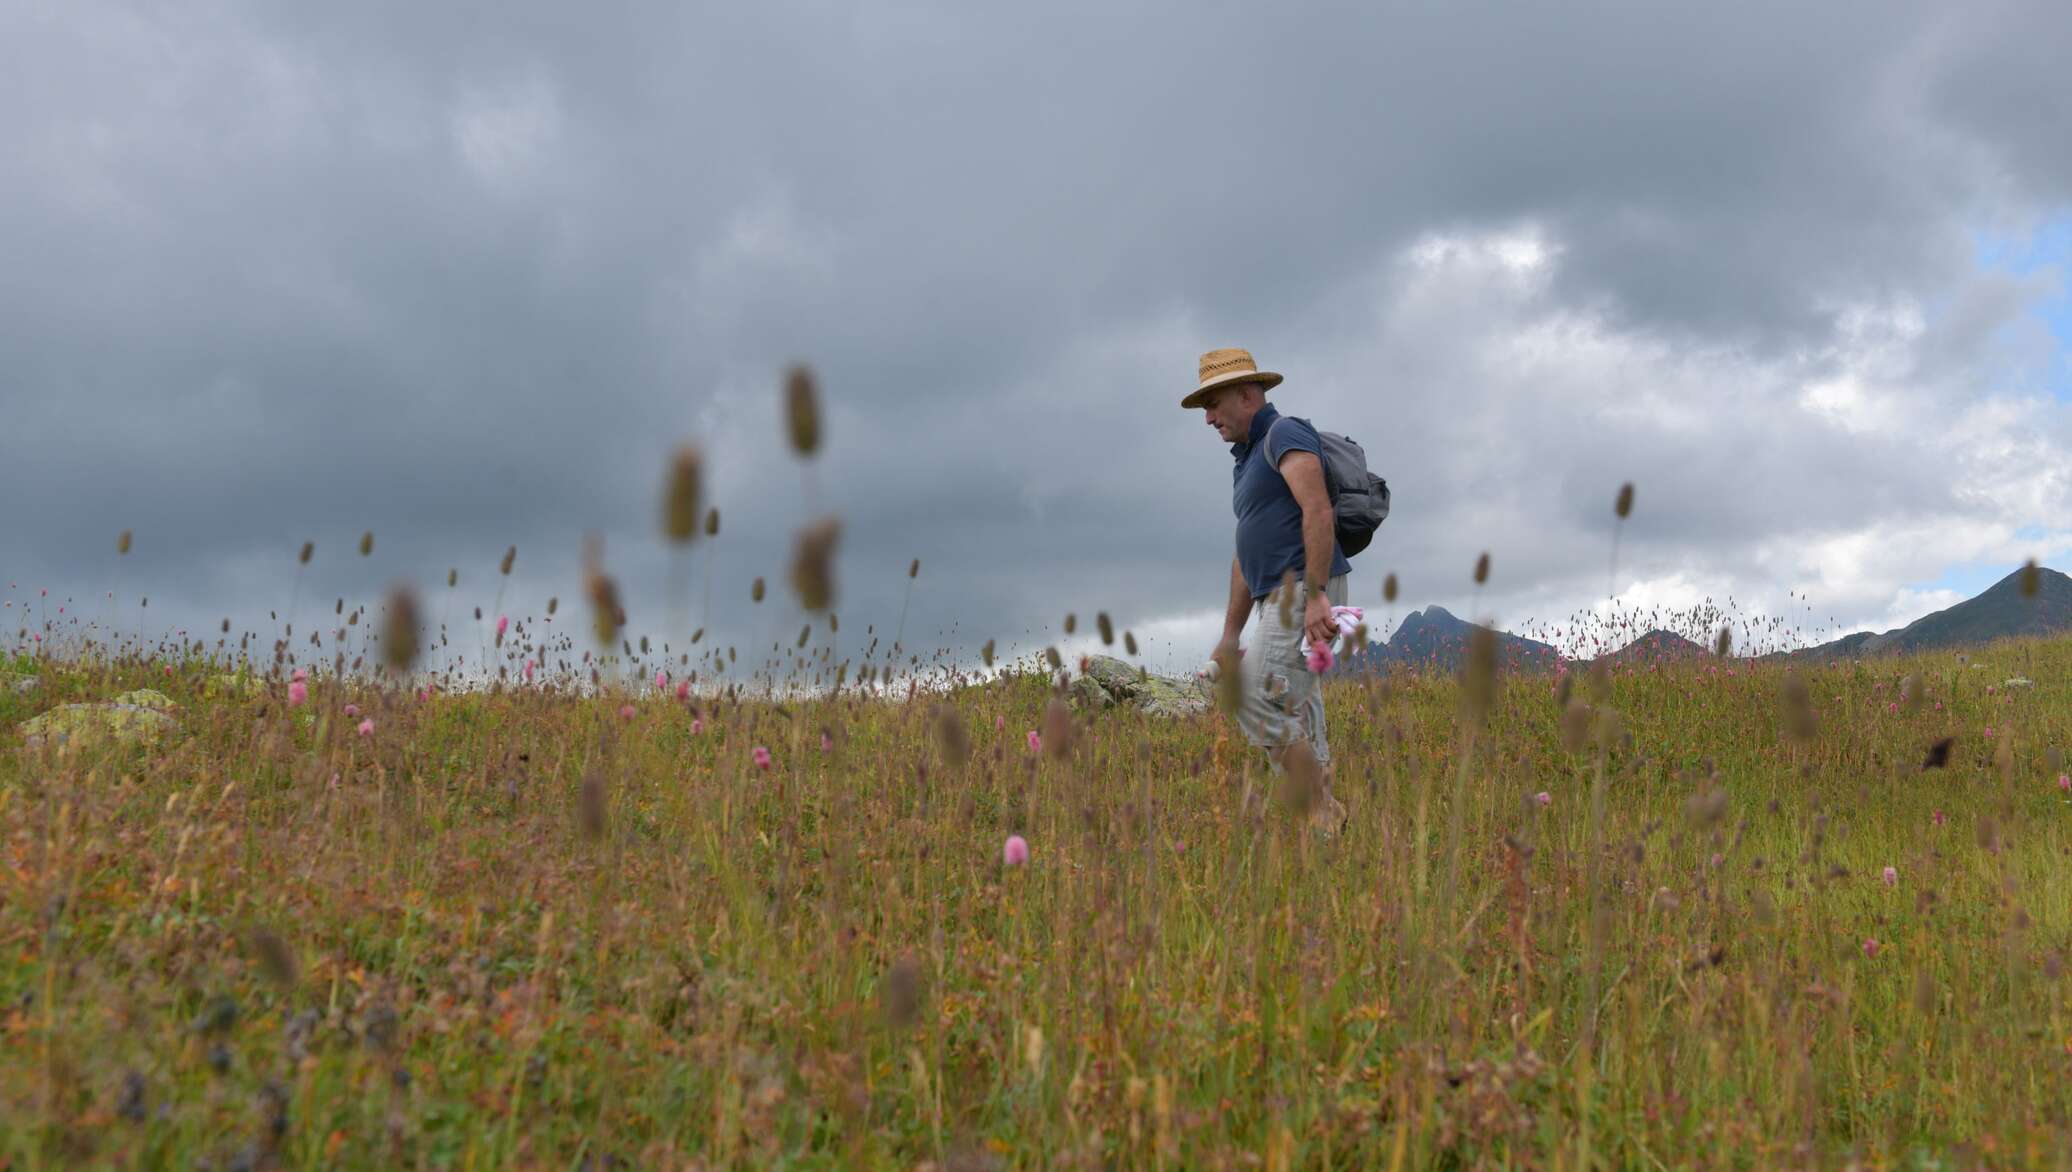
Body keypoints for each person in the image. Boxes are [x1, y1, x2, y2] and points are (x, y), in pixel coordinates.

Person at [1183, 347, 1351, 838]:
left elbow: (1318, 510)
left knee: (1253, 700)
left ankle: (1323, 814)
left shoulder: (1285, 433)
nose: (1209, 418)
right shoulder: (1247, 461)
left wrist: (1317, 595)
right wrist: (1229, 634)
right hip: (1277, 598)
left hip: (1303, 588)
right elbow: (1246, 553)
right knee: (1294, 706)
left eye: (1213, 403)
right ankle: (1329, 834)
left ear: (1247, 393)